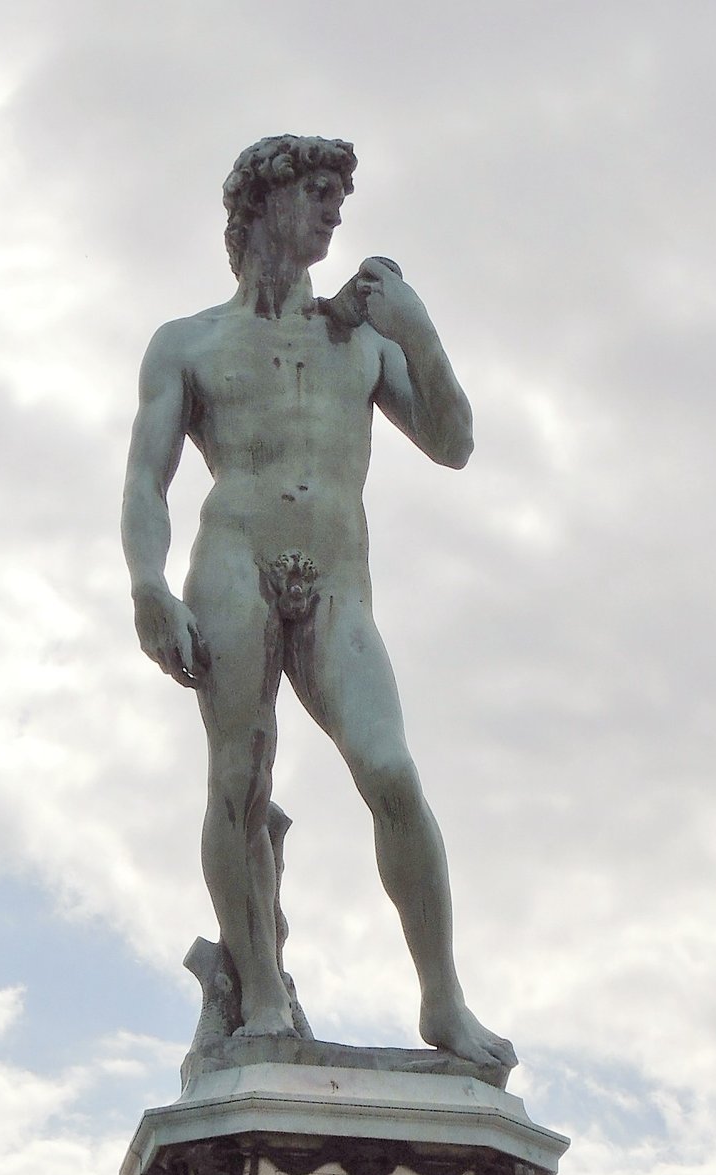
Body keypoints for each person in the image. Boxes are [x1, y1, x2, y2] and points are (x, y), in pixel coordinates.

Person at [122, 134, 513, 1073]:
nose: (335, 208)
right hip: (234, 561)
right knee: (236, 781)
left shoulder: (364, 337)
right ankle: (259, 991)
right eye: (316, 190)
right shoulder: (190, 342)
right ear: (260, 205)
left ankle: (444, 1000)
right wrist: (146, 584)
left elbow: (454, 444)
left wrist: (417, 328)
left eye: (341, 193)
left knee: (391, 770)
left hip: (337, 577)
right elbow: (146, 477)